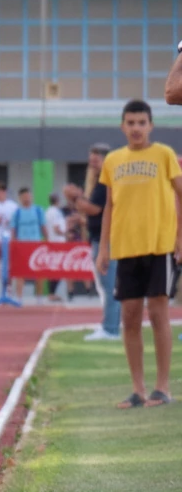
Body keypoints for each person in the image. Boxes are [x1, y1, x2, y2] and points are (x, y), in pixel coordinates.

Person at [95, 99, 182, 408]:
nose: (136, 128)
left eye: (141, 123)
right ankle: (138, 389)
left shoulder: (164, 155)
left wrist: (180, 238)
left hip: (160, 246)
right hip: (126, 247)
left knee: (158, 313)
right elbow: (109, 207)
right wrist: (103, 248)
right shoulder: (113, 161)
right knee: (129, 317)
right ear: (123, 126)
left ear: (151, 126)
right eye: (130, 123)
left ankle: (162, 388)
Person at [77, 143, 121, 340]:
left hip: (107, 239)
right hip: (100, 237)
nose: (92, 164)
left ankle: (111, 328)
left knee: (108, 285)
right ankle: (109, 325)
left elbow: (95, 209)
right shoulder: (100, 181)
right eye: (91, 160)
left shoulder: (105, 182)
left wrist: (75, 198)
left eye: (96, 160)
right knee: (105, 286)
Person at [9, 187, 47, 304]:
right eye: (24, 196)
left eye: (28, 196)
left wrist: (47, 241)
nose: (27, 198)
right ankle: (19, 297)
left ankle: (39, 296)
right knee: (20, 272)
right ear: (20, 198)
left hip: (36, 244)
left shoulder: (38, 210)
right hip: (21, 245)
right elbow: (13, 230)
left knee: (39, 271)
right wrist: (14, 243)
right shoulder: (17, 213)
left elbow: (43, 227)